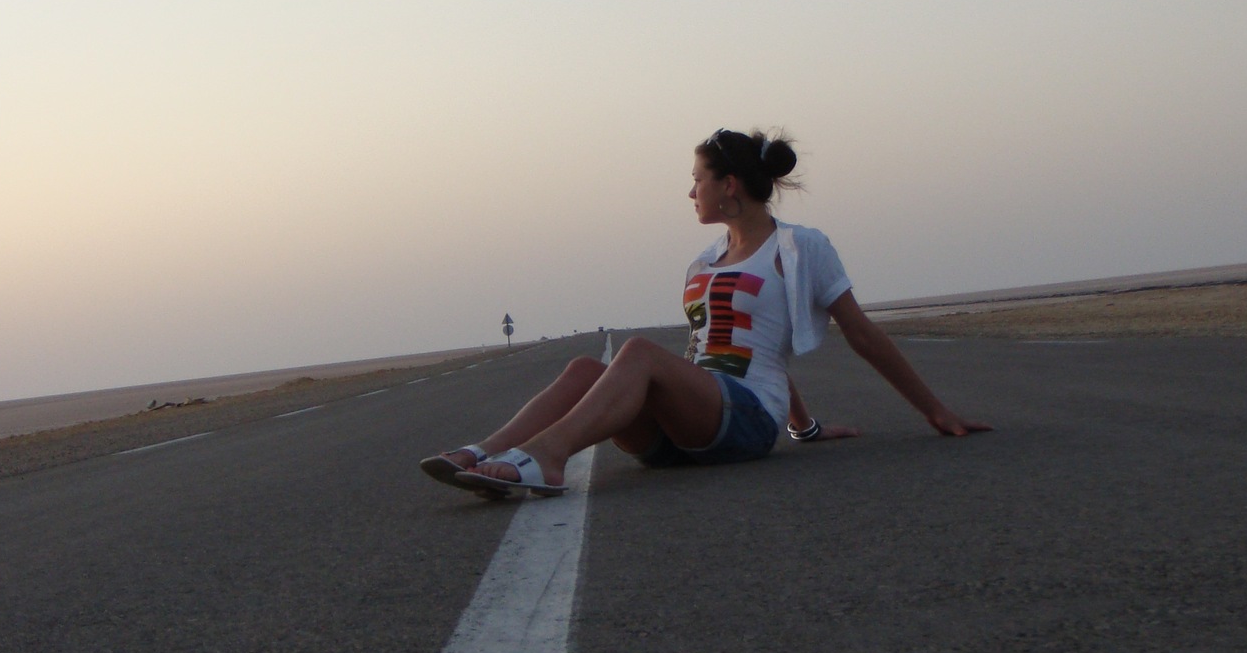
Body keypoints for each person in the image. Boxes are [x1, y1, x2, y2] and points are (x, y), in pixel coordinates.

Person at [421, 127, 989, 498]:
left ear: (729, 185)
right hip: (685, 428)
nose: (691, 192)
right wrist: (806, 424)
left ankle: (546, 458)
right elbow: (741, 340)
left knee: (640, 353)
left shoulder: (799, 247)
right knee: (583, 369)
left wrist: (935, 411)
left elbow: (859, 334)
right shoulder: (705, 261)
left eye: (698, 180)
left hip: (744, 422)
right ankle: (480, 453)